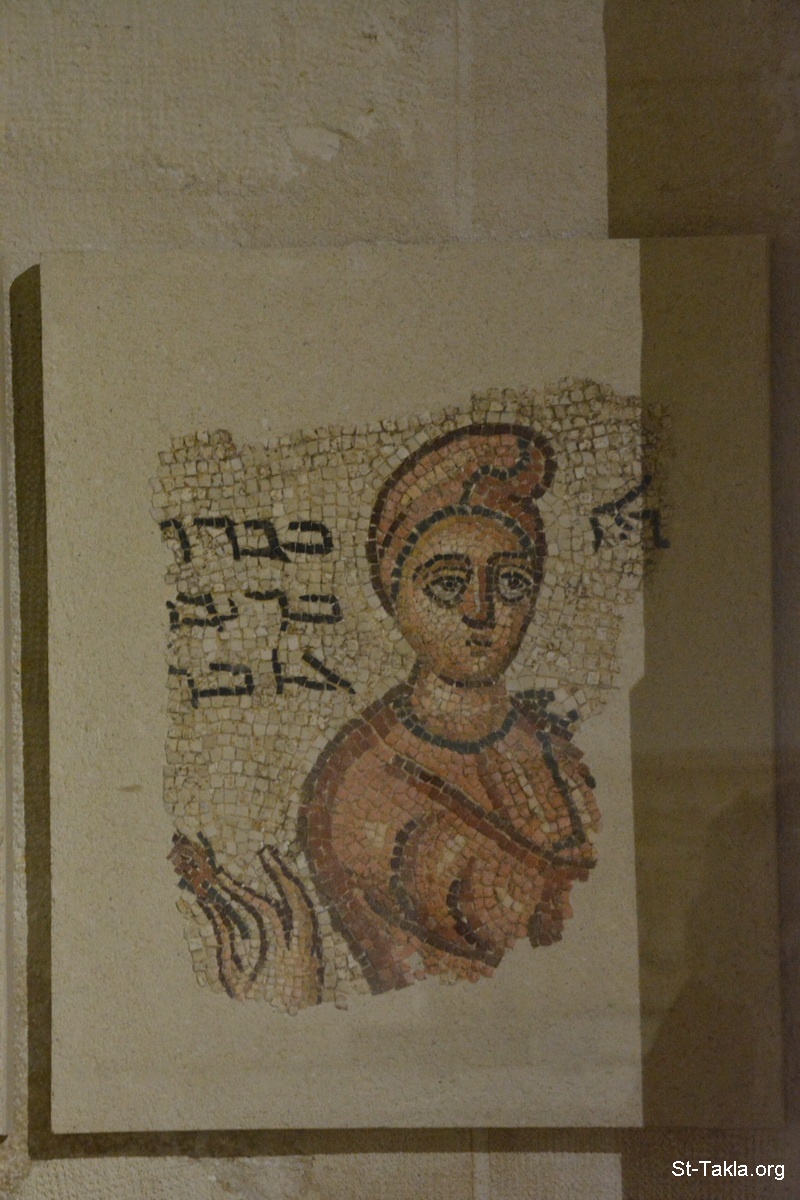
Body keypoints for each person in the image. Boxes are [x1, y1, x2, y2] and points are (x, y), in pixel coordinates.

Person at [299, 424, 601, 995]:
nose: (480, 610)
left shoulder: (555, 751)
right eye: (447, 583)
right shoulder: (363, 778)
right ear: (396, 594)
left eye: (510, 581)